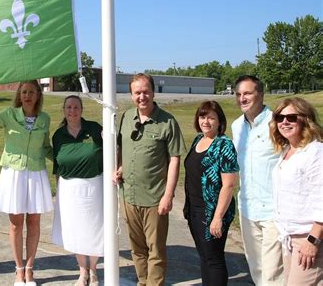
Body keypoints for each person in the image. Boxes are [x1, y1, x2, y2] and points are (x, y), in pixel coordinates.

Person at [0, 80, 53, 286]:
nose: (27, 95)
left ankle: (30, 269)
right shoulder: (9, 114)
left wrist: (70, 159)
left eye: (31, 92)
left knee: (34, 223)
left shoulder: (45, 118)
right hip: (14, 174)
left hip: (36, 173)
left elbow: (46, 147)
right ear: (19, 95)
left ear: (38, 95)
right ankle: (18, 270)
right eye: (24, 92)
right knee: (16, 224)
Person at [113, 73, 186, 286]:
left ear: (153, 92)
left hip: (155, 198)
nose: (142, 96)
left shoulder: (167, 121)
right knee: (137, 249)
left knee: (156, 250)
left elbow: (174, 159)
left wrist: (168, 196)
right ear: (131, 95)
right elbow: (120, 149)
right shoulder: (126, 118)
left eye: (146, 92)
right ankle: (142, 282)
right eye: (137, 93)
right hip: (129, 196)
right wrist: (118, 166)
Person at [231, 75, 284, 285]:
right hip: (247, 209)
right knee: (257, 269)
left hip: (274, 211)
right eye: (238, 94)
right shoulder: (237, 126)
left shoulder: (278, 122)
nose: (242, 98)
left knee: (273, 275)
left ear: (260, 94)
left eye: (247, 93)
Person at [183, 101, 239, 285]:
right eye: (202, 116)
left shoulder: (224, 145)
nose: (206, 121)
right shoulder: (198, 140)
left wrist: (218, 217)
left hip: (213, 212)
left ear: (219, 121)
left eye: (211, 117)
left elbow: (229, 185)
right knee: (204, 257)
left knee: (214, 259)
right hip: (194, 209)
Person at [51, 95, 103, 286]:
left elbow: (113, 148)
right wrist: (58, 193)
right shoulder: (58, 135)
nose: (72, 111)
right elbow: (57, 166)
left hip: (94, 186)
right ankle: (82, 271)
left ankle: (94, 270)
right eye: (68, 107)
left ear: (82, 109)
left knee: (95, 229)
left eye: (76, 107)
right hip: (69, 189)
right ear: (64, 110)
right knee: (76, 230)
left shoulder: (95, 129)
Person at [269, 97, 323, 285]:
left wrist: (312, 240)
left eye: (291, 117)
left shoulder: (315, 152)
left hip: (308, 238)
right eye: (279, 117)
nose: (284, 122)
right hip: (289, 237)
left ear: (305, 119)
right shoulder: (286, 151)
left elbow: (321, 199)